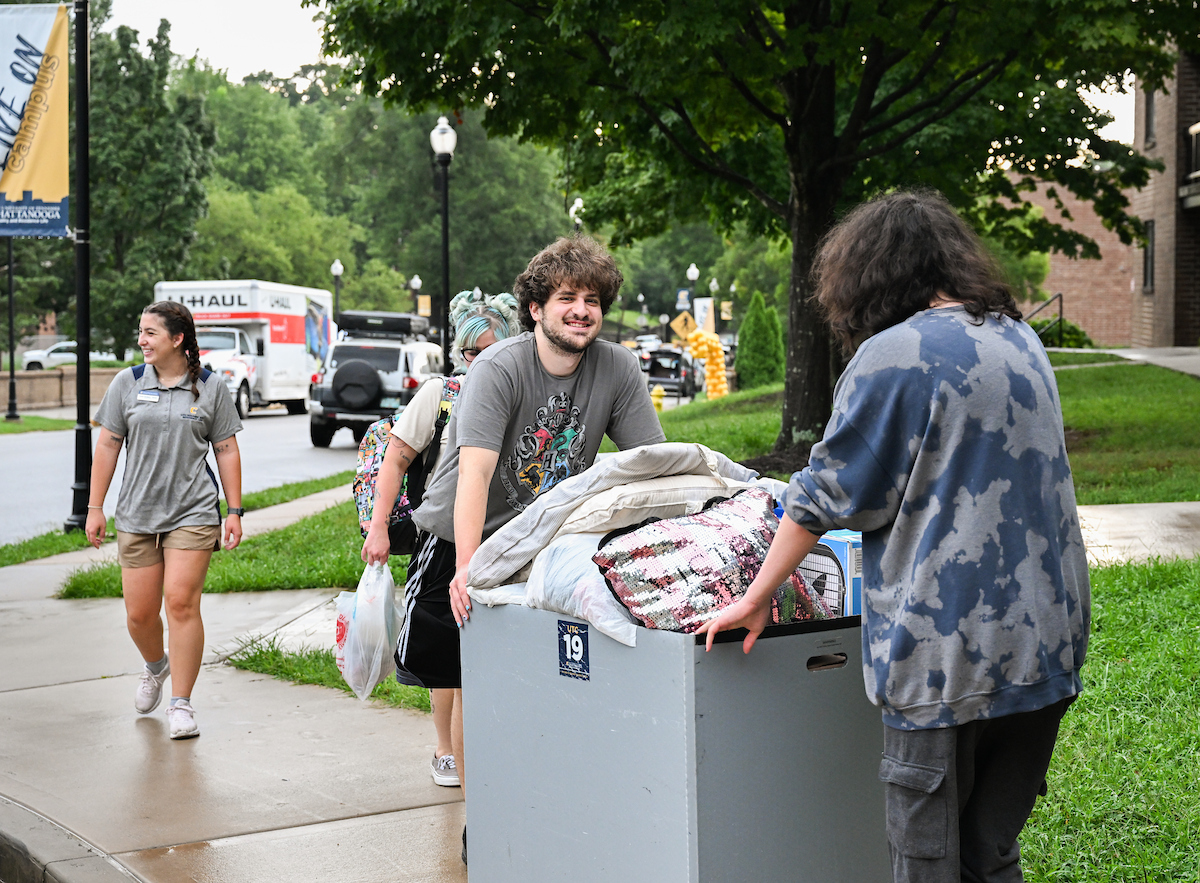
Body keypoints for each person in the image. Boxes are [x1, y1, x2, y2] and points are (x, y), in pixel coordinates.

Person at [699, 190, 1091, 883]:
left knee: (926, 862)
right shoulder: (1018, 336)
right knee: (991, 855)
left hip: (947, 659)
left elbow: (824, 495)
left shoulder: (895, 353)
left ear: (868, 275)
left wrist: (757, 596)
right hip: (1046, 648)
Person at [408, 235, 666, 863]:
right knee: (475, 680)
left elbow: (650, 466)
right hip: (464, 535)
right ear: (535, 308)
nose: (581, 310)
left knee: (547, 674)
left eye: (592, 300)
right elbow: (474, 476)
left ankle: (547, 808)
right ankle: (483, 820)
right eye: (567, 298)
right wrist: (470, 572)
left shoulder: (618, 369)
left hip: (546, 539)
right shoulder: (498, 367)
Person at [360, 288, 520, 789]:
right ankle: (446, 749)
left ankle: (483, 745)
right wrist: (379, 527)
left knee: (490, 646)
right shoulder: (441, 395)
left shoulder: (521, 392)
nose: (481, 360)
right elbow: (395, 461)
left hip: (507, 537)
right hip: (446, 536)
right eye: (472, 351)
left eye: (494, 349)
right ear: (459, 353)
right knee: (447, 649)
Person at [86, 300, 244, 740]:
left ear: (177, 339)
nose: (142, 340)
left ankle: (181, 704)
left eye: (150, 333)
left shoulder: (209, 387)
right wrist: (95, 507)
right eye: (141, 331)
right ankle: (157, 667)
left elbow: (226, 450)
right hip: (137, 513)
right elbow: (108, 446)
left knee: (180, 603)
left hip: (193, 511)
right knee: (139, 615)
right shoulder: (128, 382)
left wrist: (234, 511)